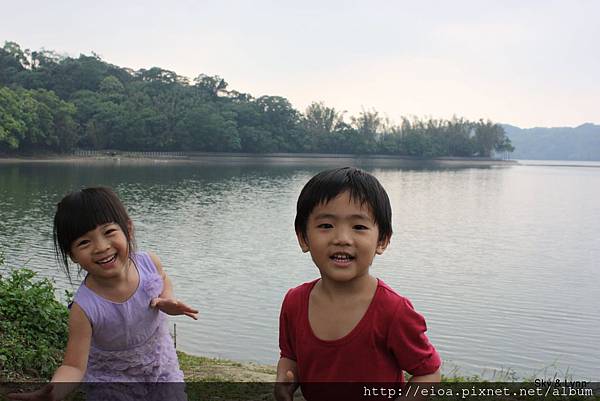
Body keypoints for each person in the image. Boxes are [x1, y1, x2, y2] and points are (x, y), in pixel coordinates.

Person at [9, 187, 198, 401]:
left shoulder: (148, 263)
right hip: (113, 383)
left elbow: (162, 278)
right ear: (72, 256)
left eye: (109, 232)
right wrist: (54, 393)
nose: (101, 247)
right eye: (84, 242)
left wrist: (166, 299)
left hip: (161, 368)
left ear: (128, 229)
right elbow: (73, 365)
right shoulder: (85, 307)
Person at [274, 167, 442, 401]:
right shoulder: (294, 303)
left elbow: (428, 373)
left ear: (382, 240)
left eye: (359, 227)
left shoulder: (393, 312)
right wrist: (285, 381)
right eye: (326, 225)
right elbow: (290, 356)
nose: (342, 238)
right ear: (303, 237)